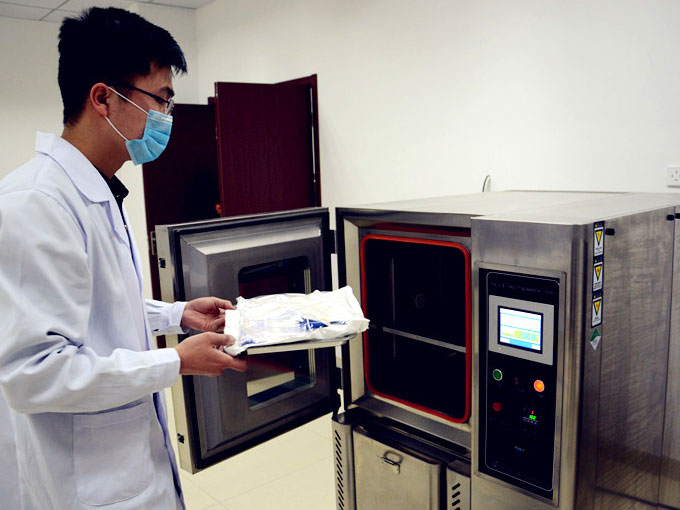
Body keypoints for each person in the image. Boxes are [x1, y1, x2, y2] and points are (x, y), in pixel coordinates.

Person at [0, 7, 247, 509]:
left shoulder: (97, 189)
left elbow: (94, 305)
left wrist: (176, 315)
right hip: (85, 482)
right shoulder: (36, 203)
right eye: (161, 99)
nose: (167, 117)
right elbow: (33, 374)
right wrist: (175, 361)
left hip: (125, 463)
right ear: (103, 98)